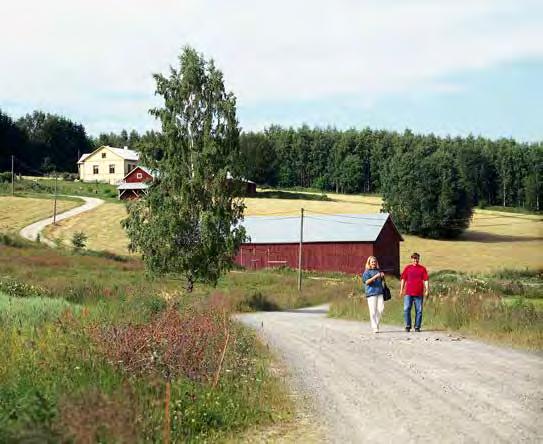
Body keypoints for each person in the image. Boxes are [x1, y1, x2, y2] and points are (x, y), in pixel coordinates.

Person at [399, 252, 429, 332]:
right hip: (408, 293)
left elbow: (426, 280)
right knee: (406, 309)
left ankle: (417, 327)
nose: (415, 260)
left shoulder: (422, 269)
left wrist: (427, 290)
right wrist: (401, 290)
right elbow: (403, 279)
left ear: (419, 259)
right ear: (411, 259)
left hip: (419, 293)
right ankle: (408, 325)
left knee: (419, 310)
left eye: (417, 258)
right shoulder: (407, 268)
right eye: (414, 258)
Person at [362, 256, 385, 333]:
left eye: (375, 261)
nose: (374, 263)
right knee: (373, 311)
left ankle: (376, 324)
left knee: (381, 309)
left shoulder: (378, 270)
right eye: (372, 262)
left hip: (379, 292)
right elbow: (366, 282)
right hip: (371, 293)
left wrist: (382, 276)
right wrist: (376, 276)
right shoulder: (367, 272)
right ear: (369, 263)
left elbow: (382, 281)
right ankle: (374, 327)